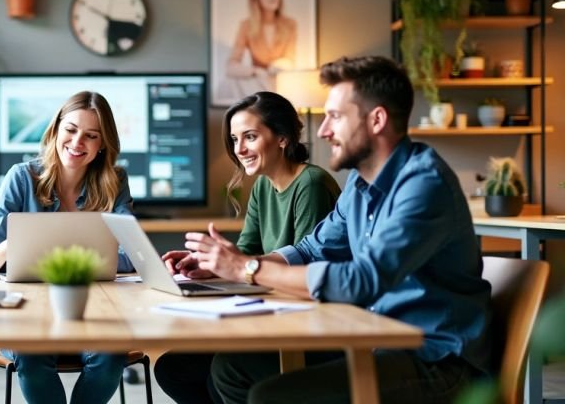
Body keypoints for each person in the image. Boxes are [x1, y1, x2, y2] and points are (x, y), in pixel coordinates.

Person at [180, 56, 491, 403]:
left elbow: (362, 280)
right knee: (234, 371)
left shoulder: (423, 185)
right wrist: (228, 264)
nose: (324, 130)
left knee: (272, 396)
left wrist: (247, 269)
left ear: (377, 120)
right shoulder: (360, 181)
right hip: (372, 341)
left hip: (432, 358)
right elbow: (312, 249)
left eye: (336, 117)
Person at [153, 91, 341, 403]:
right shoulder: (263, 186)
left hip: (308, 324)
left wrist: (236, 265)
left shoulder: (311, 184)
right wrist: (209, 263)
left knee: (222, 372)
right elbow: (244, 255)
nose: (239, 149)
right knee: (173, 367)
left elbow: (309, 267)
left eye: (250, 137)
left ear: (282, 138)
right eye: (234, 139)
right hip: (274, 313)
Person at [0, 91, 135, 404]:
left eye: (91, 136)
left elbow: (131, 253)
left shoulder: (115, 181)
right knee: (32, 357)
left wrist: (71, 259)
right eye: (70, 130)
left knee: (111, 357)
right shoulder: (21, 178)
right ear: (55, 130)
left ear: (102, 145)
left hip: (92, 313)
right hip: (26, 316)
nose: (77, 142)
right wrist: (14, 245)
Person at [223, 0, 298, 98]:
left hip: (281, 81)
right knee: (233, 82)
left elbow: (290, 59)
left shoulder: (290, 24)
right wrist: (255, 71)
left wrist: (277, 65)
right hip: (257, 83)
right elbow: (231, 66)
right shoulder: (246, 25)